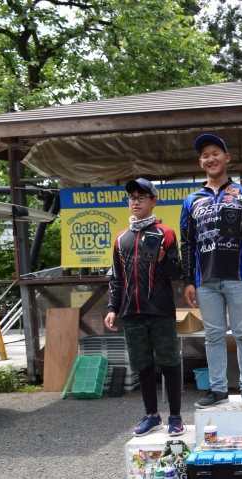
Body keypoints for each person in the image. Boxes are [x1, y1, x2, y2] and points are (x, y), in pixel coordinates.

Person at [181, 133, 242, 408]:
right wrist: (188, 281)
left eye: (215, 153)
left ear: (226, 158)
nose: (210, 159)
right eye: (205, 155)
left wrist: (240, 226)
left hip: (238, 275)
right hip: (205, 279)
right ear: (200, 162)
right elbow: (187, 242)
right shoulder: (190, 199)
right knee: (213, 335)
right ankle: (217, 389)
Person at [105, 178, 184, 436]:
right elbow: (116, 279)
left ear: (153, 201)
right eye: (131, 198)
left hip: (160, 310)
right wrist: (112, 308)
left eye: (141, 197)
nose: (135, 202)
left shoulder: (166, 232)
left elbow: (178, 273)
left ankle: (176, 416)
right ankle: (152, 415)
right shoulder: (121, 238)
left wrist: (163, 259)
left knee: (170, 363)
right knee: (143, 365)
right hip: (131, 313)